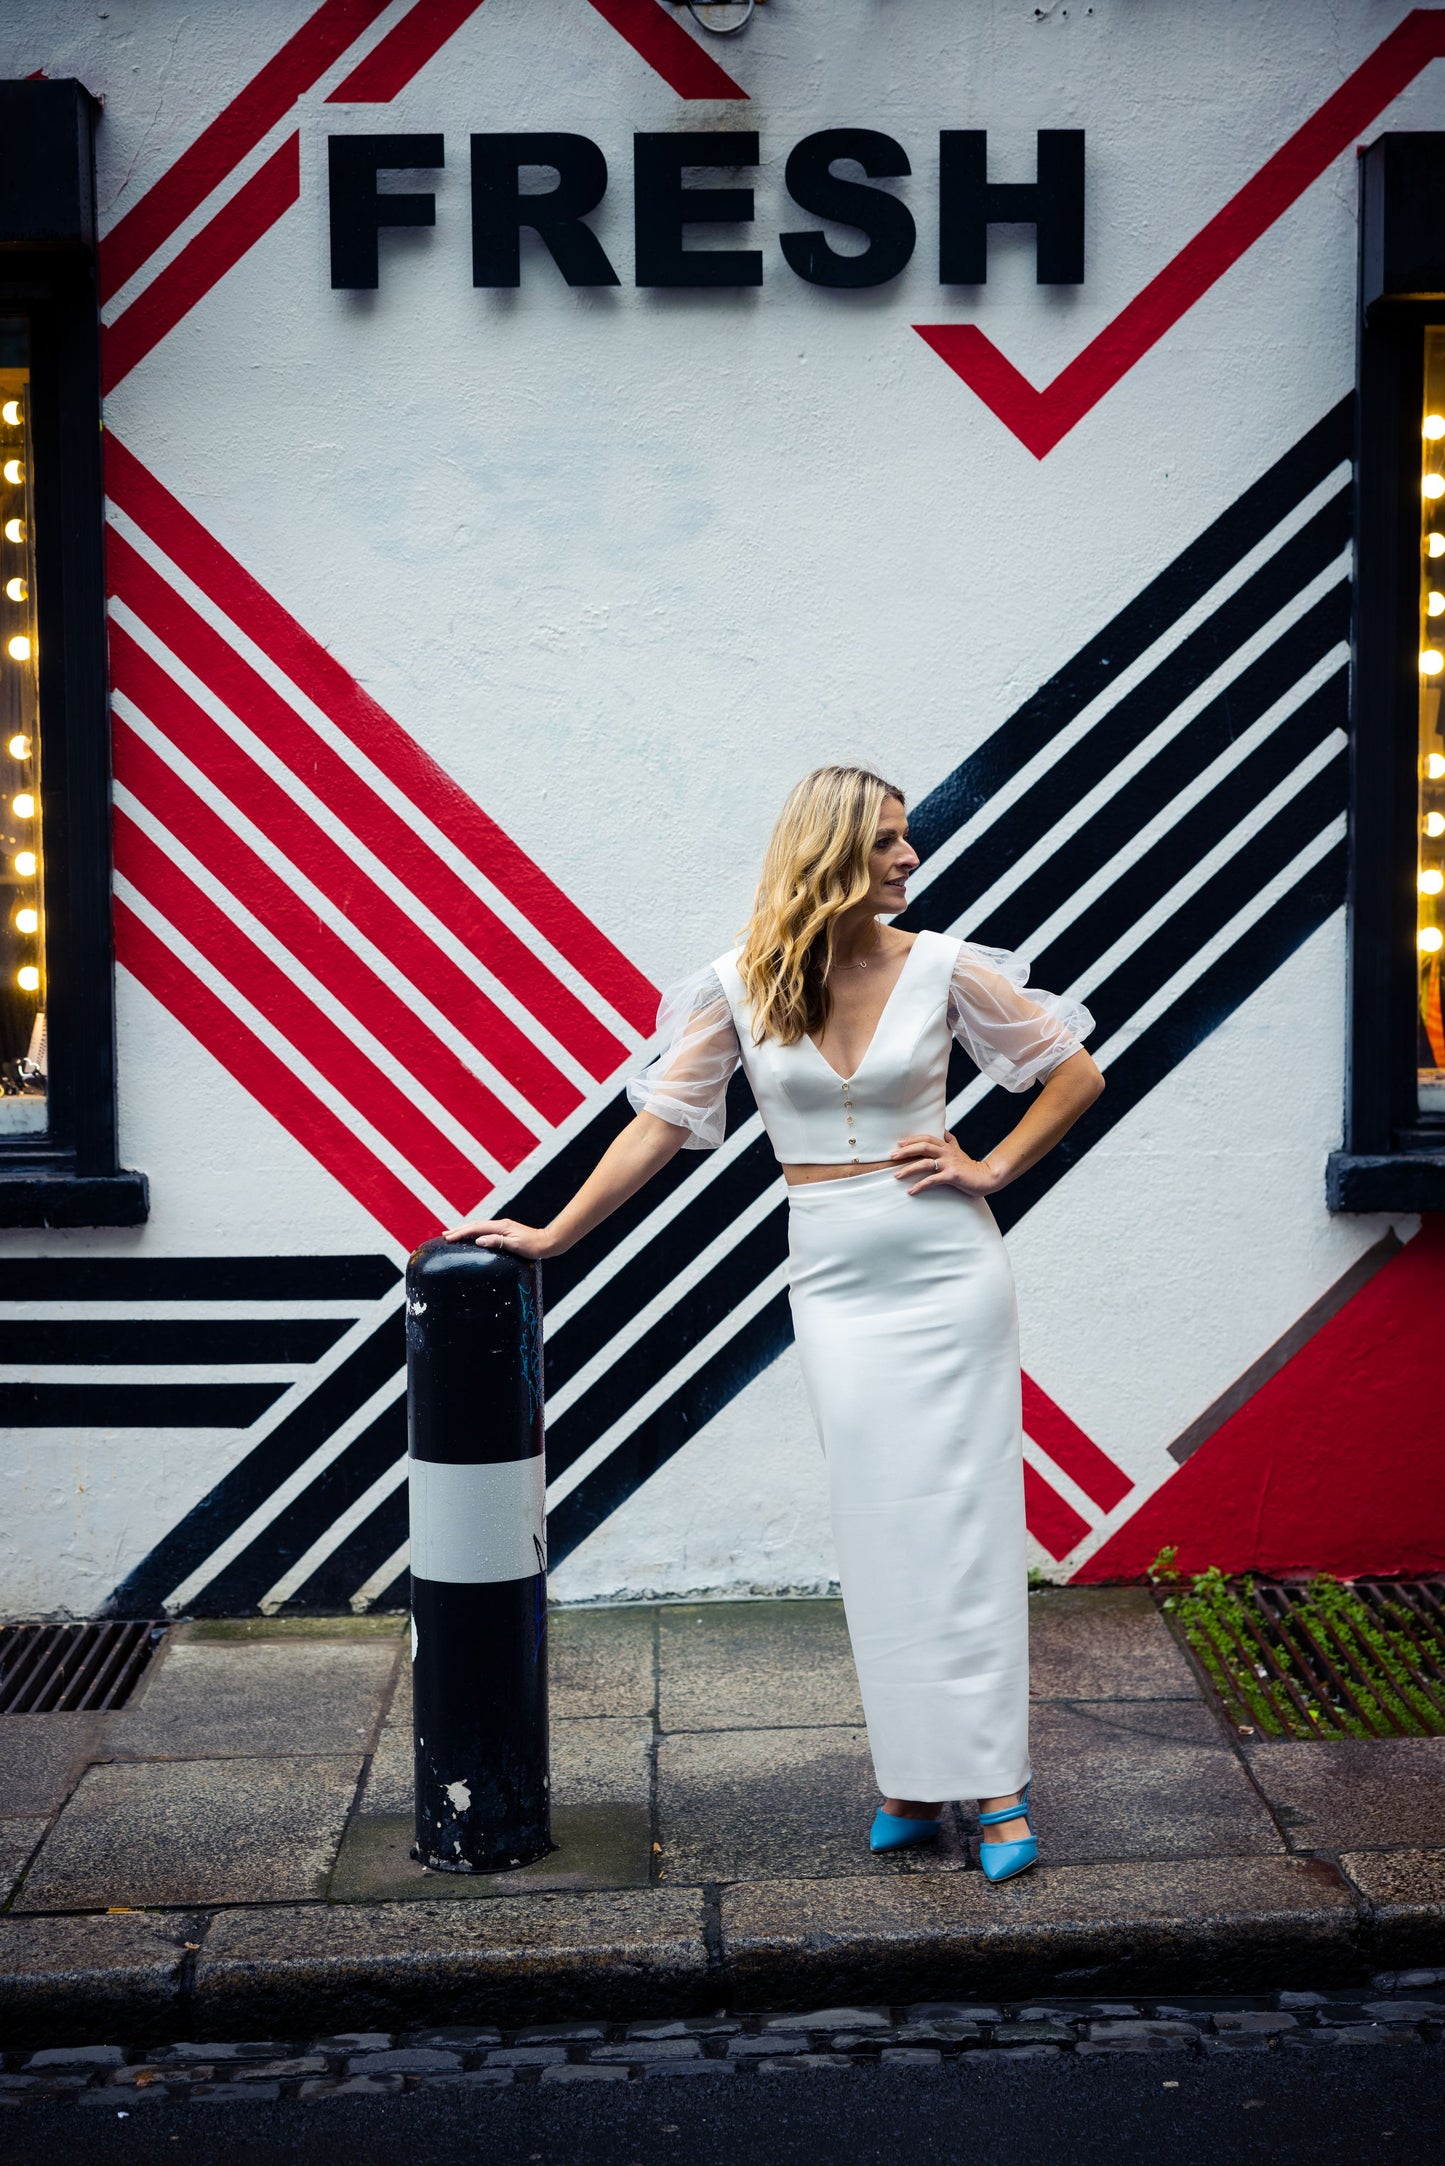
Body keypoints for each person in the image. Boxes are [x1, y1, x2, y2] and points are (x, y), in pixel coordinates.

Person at [444, 765, 1104, 1882]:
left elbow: (1069, 1073)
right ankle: (908, 1772)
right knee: (878, 1519)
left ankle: (995, 1785)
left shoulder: (946, 966)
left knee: (968, 1516)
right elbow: (659, 1125)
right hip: (835, 1278)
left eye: (908, 841)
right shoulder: (742, 983)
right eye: (889, 841)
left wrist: (986, 1164)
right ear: (831, 850)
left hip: (949, 1270)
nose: (909, 858)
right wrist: (555, 1234)